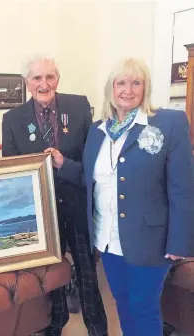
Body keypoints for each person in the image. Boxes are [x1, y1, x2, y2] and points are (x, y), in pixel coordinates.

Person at [82, 58, 194, 336]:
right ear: (110, 88)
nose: (128, 90)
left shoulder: (168, 123)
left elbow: (182, 187)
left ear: (146, 87)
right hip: (107, 238)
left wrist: (180, 240)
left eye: (136, 82)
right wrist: (61, 164)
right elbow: (92, 177)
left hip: (149, 239)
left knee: (143, 306)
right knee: (122, 301)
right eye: (121, 83)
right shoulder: (97, 130)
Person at [1, 56, 107, 336]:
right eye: (36, 78)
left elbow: (94, 163)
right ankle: (55, 324)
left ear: (57, 80)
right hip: (41, 211)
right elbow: (13, 173)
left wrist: (65, 165)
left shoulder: (79, 106)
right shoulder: (12, 119)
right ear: (27, 83)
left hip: (76, 203)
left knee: (87, 272)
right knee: (52, 273)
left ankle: (97, 328)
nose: (43, 84)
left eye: (49, 77)